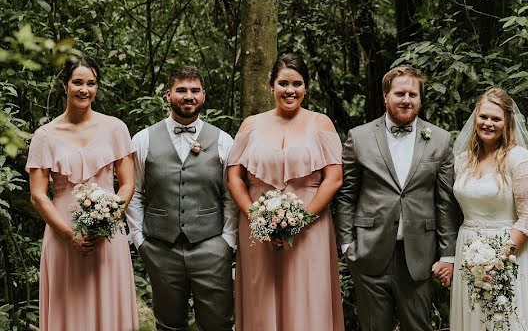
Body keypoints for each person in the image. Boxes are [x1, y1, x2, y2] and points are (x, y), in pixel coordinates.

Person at [335, 65, 458, 331]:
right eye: (400, 93)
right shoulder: (359, 138)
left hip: (419, 254)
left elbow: (445, 201)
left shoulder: (440, 139)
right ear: (385, 96)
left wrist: (448, 254)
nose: (406, 100)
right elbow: (346, 195)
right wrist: (347, 245)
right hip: (369, 251)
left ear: (420, 99)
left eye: (413, 94)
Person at [226, 53, 344, 330]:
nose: (290, 90)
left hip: (309, 228)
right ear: (271, 86)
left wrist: (299, 222)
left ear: (306, 88)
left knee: (307, 297)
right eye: (283, 83)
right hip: (257, 228)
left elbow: (334, 178)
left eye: (297, 83)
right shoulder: (251, 125)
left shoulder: (321, 123)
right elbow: (234, 178)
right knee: (260, 297)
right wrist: (257, 218)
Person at [26, 56, 139, 331]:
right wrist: (69, 234)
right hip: (63, 232)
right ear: (65, 85)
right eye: (78, 82)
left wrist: (106, 222)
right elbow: (38, 194)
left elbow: (127, 184)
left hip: (107, 234)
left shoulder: (115, 128)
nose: (84, 89)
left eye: (91, 83)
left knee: (108, 302)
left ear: (97, 88)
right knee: (70, 307)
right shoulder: (45, 135)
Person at [126, 65, 237, 331]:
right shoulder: (143, 140)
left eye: (195, 90)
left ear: (203, 95)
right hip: (160, 247)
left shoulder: (223, 140)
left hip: (211, 246)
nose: (189, 96)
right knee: (168, 325)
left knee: (218, 324)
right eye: (182, 90)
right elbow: (134, 193)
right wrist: (140, 240)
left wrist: (227, 241)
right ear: (168, 95)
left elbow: (230, 196)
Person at [450, 87, 528, 331]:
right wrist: (476, 263)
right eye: (483, 117)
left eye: (496, 118)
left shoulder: (519, 160)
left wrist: (496, 259)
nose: (488, 123)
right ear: (475, 118)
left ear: (507, 122)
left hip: (513, 254)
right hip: (470, 253)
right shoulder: (463, 160)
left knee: (507, 321)